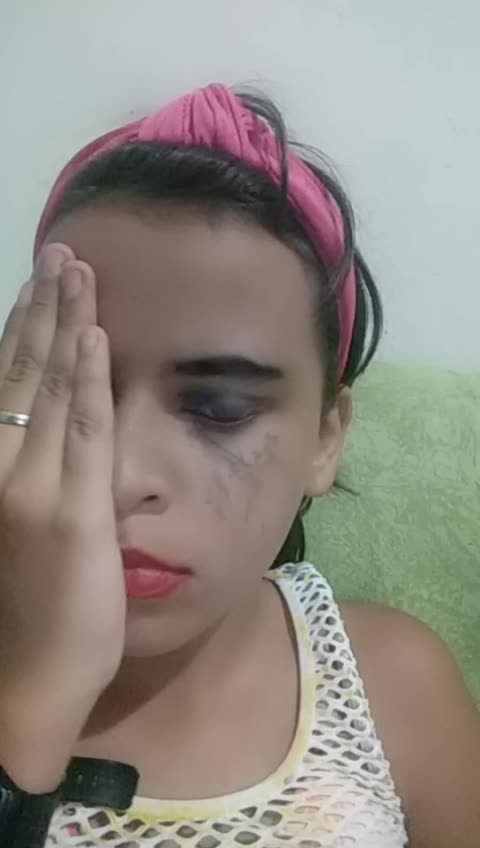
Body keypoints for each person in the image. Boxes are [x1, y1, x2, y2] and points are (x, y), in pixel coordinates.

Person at [0, 83, 478, 848]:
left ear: (325, 439)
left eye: (220, 408)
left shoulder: (394, 688)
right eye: (77, 389)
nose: (121, 480)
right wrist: (37, 697)